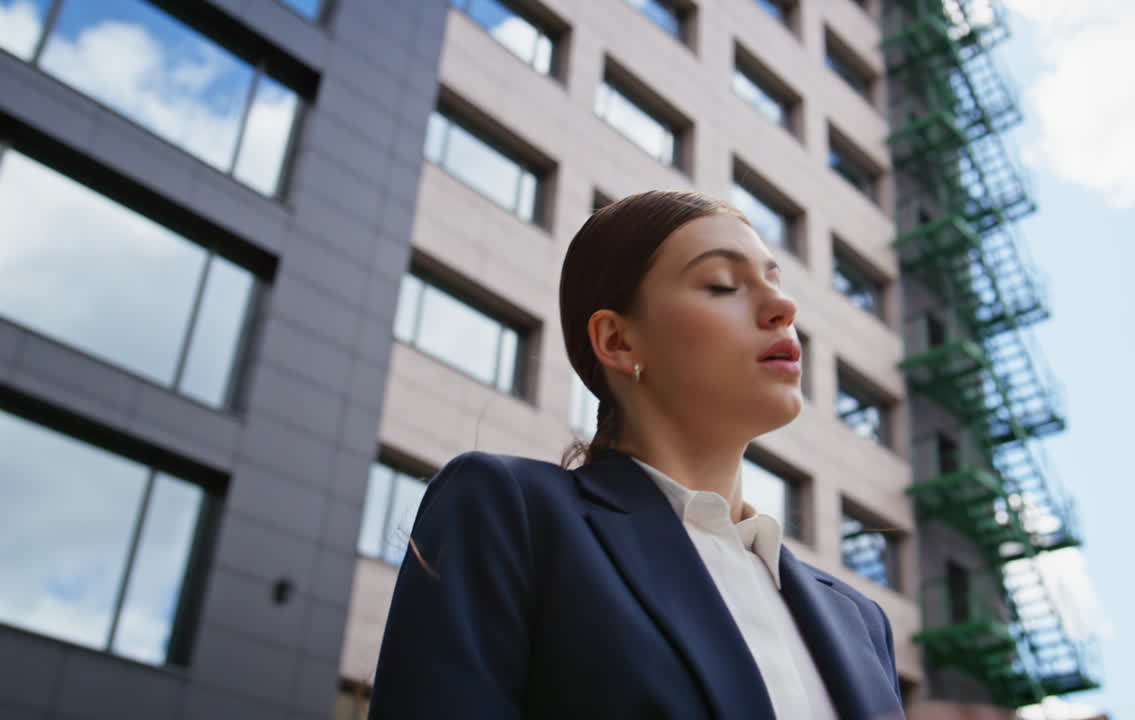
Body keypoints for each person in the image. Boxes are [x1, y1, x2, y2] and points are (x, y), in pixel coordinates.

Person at [366, 190, 904, 719]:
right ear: (618, 342)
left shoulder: (859, 620)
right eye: (721, 284)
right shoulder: (513, 513)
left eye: (774, 281)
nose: (783, 308)